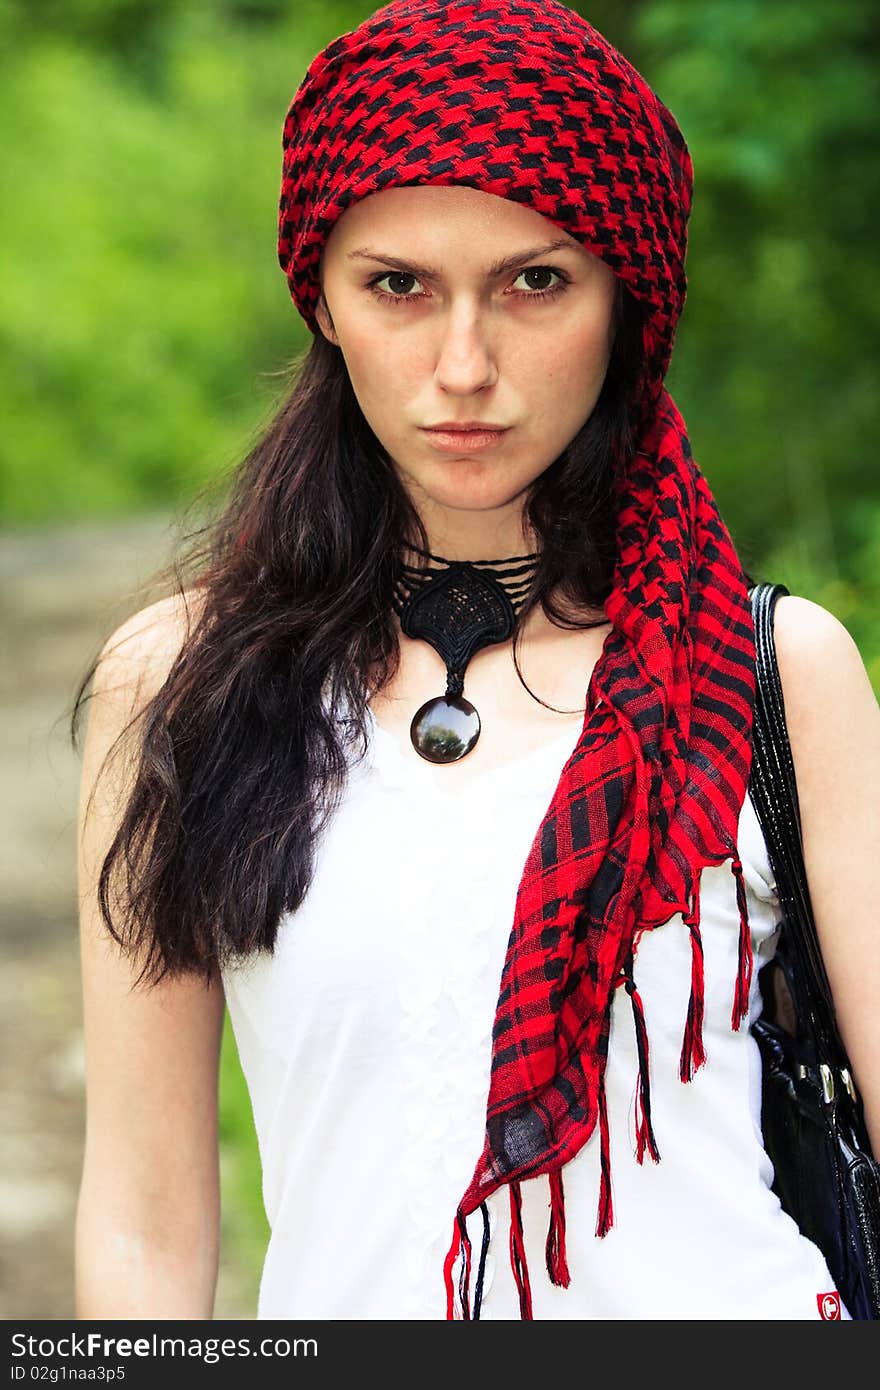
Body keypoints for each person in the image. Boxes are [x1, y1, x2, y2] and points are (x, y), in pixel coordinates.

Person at [72, 0, 880, 1321]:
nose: (464, 366)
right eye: (399, 285)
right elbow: (147, 1222)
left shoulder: (774, 667)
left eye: (535, 282)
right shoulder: (177, 683)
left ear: (631, 297)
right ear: (323, 299)